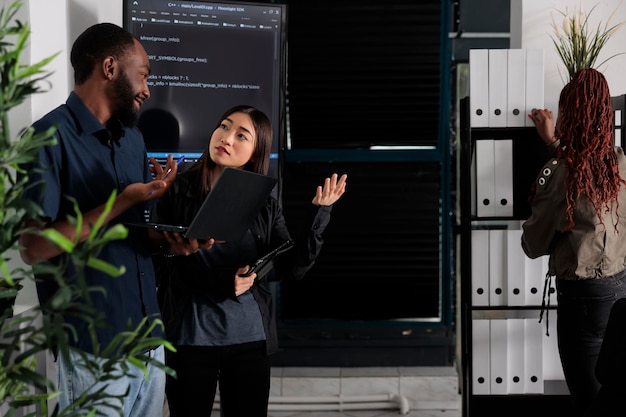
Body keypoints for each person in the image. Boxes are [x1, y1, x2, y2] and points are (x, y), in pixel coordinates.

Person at [18, 23, 180, 417]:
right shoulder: (46, 138)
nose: (147, 89)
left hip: (150, 341)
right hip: (94, 347)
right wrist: (121, 201)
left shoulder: (133, 140)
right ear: (110, 67)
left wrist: (174, 242)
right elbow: (34, 248)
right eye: (142, 74)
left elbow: (136, 235)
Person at [151, 104, 347, 417]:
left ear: (255, 152)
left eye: (241, 135)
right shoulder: (176, 190)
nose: (226, 138)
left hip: (249, 340)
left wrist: (318, 213)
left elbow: (290, 267)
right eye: (224, 127)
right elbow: (163, 264)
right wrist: (222, 281)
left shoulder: (265, 204)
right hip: (190, 339)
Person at [522, 68, 626, 415]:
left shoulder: (560, 172)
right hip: (620, 293)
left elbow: (532, 245)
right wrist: (554, 145)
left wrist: (553, 155)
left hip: (582, 301)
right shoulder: (621, 163)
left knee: (589, 402)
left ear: (571, 115)